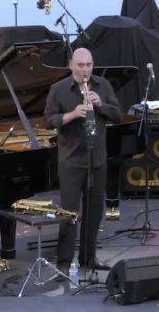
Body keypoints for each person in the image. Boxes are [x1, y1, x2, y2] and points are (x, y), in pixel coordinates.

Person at [44, 48, 121, 274]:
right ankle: (64, 262)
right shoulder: (58, 90)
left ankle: (89, 258)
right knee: (68, 214)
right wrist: (72, 114)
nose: (85, 70)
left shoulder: (103, 86)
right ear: (71, 66)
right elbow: (49, 121)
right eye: (80, 65)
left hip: (97, 158)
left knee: (94, 212)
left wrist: (100, 105)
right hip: (70, 160)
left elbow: (117, 114)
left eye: (89, 65)